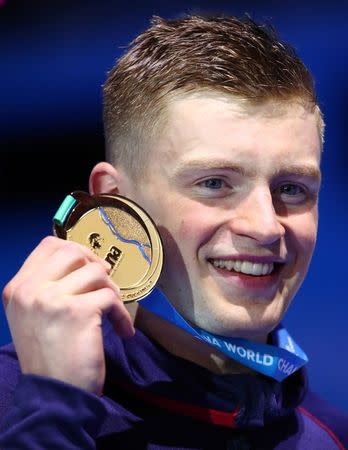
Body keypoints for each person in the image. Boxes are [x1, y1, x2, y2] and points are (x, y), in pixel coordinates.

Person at [0, 13, 347, 450]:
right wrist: (56, 411)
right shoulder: (11, 405)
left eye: (292, 189)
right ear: (116, 203)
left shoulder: (332, 434)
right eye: (215, 183)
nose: (264, 226)